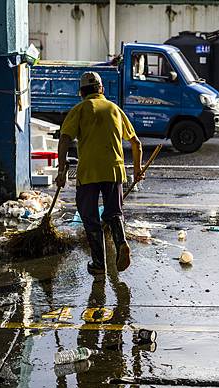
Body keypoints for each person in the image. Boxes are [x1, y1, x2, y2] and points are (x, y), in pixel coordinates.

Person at [55, 71, 144, 275]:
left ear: (81, 92)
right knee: (114, 212)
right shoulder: (114, 109)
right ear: (101, 89)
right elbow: (136, 143)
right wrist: (137, 170)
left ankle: (98, 264)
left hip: (89, 172)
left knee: (90, 216)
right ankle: (121, 242)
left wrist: (61, 169)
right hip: (114, 169)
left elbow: (64, 139)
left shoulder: (79, 109)